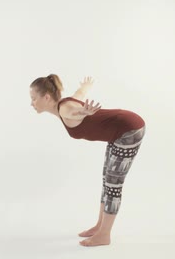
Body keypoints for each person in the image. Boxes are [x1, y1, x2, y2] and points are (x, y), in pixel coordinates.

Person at [29, 74, 146, 247]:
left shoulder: (64, 110)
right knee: (107, 179)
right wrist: (86, 86)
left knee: (113, 184)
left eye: (33, 99)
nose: (31, 103)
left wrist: (83, 112)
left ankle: (104, 235)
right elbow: (79, 93)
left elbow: (74, 113)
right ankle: (100, 227)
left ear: (46, 97)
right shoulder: (66, 104)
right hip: (118, 131)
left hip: (129, 129)